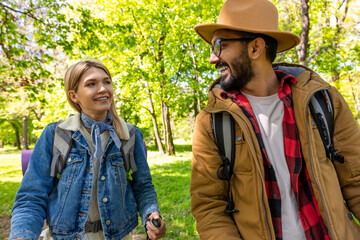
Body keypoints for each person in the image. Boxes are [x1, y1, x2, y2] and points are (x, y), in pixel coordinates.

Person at [190, 0, 360, 239]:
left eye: (220, 45)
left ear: (255, 48)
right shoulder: (212, 122)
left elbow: (356, 181)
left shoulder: (322, 100)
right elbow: (209, 207)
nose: (212, 58)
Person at [10, 60, 167, 240]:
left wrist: (151, 213)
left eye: (106, 82)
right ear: (74, 95)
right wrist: (22, 235)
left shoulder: (129, 135)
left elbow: (143, 187)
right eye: (91, 84)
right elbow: (31, 196)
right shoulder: (57, 135)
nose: (103, 89)